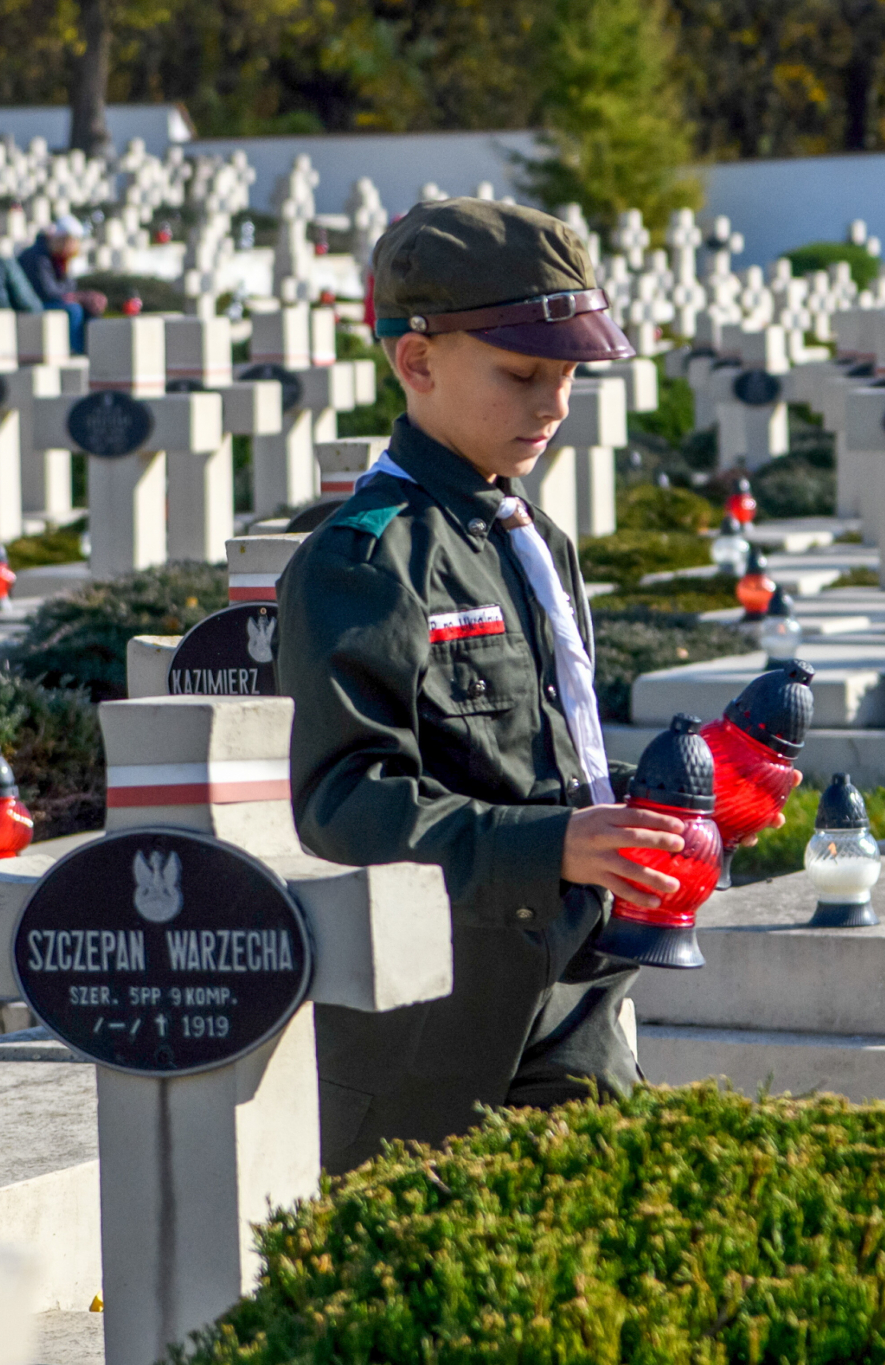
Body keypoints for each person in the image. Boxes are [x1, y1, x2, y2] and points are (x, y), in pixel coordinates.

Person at [276, 199, 742, 1170]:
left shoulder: (532, 536)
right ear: (416, 362)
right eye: (522, 373)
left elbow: (543, 753)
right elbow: (340, 802)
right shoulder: (365, 561)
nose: (554, 403)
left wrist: (672, 804)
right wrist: (547, 846)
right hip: (442, 1029)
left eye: (568, 375)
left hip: (575, 987)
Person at [17, 216, 104, 354]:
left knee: (91, 308)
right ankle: (75, 351)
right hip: (35, 304)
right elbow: (48, 292)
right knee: (73, 310)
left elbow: (70, 286)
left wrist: (85, 297)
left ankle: (94, 352)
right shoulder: (37, 256)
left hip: (48, 301)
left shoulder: (57, 258)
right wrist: (78, 297)